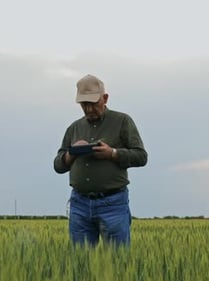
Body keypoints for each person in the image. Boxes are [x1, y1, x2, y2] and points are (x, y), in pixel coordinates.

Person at [53, 74, 148, 247]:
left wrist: (112, 153)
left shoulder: (122, 121)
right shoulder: (74, 128)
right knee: (80, 264)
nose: (89, 109)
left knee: (117, 262)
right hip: (79, 204)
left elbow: (141, 156)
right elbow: (58, 165)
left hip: (113, 203)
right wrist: (72, 153)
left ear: (105, 98)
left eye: (93, 104)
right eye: (84, 105)